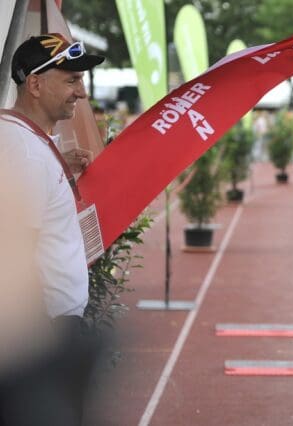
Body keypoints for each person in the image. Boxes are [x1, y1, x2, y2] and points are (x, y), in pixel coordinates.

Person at [0, 33, 104, 425]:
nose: (81, 92)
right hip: (41, 333)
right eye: (71, 80)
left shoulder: (25, 142)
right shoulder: (24, 151)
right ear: (36, 84)